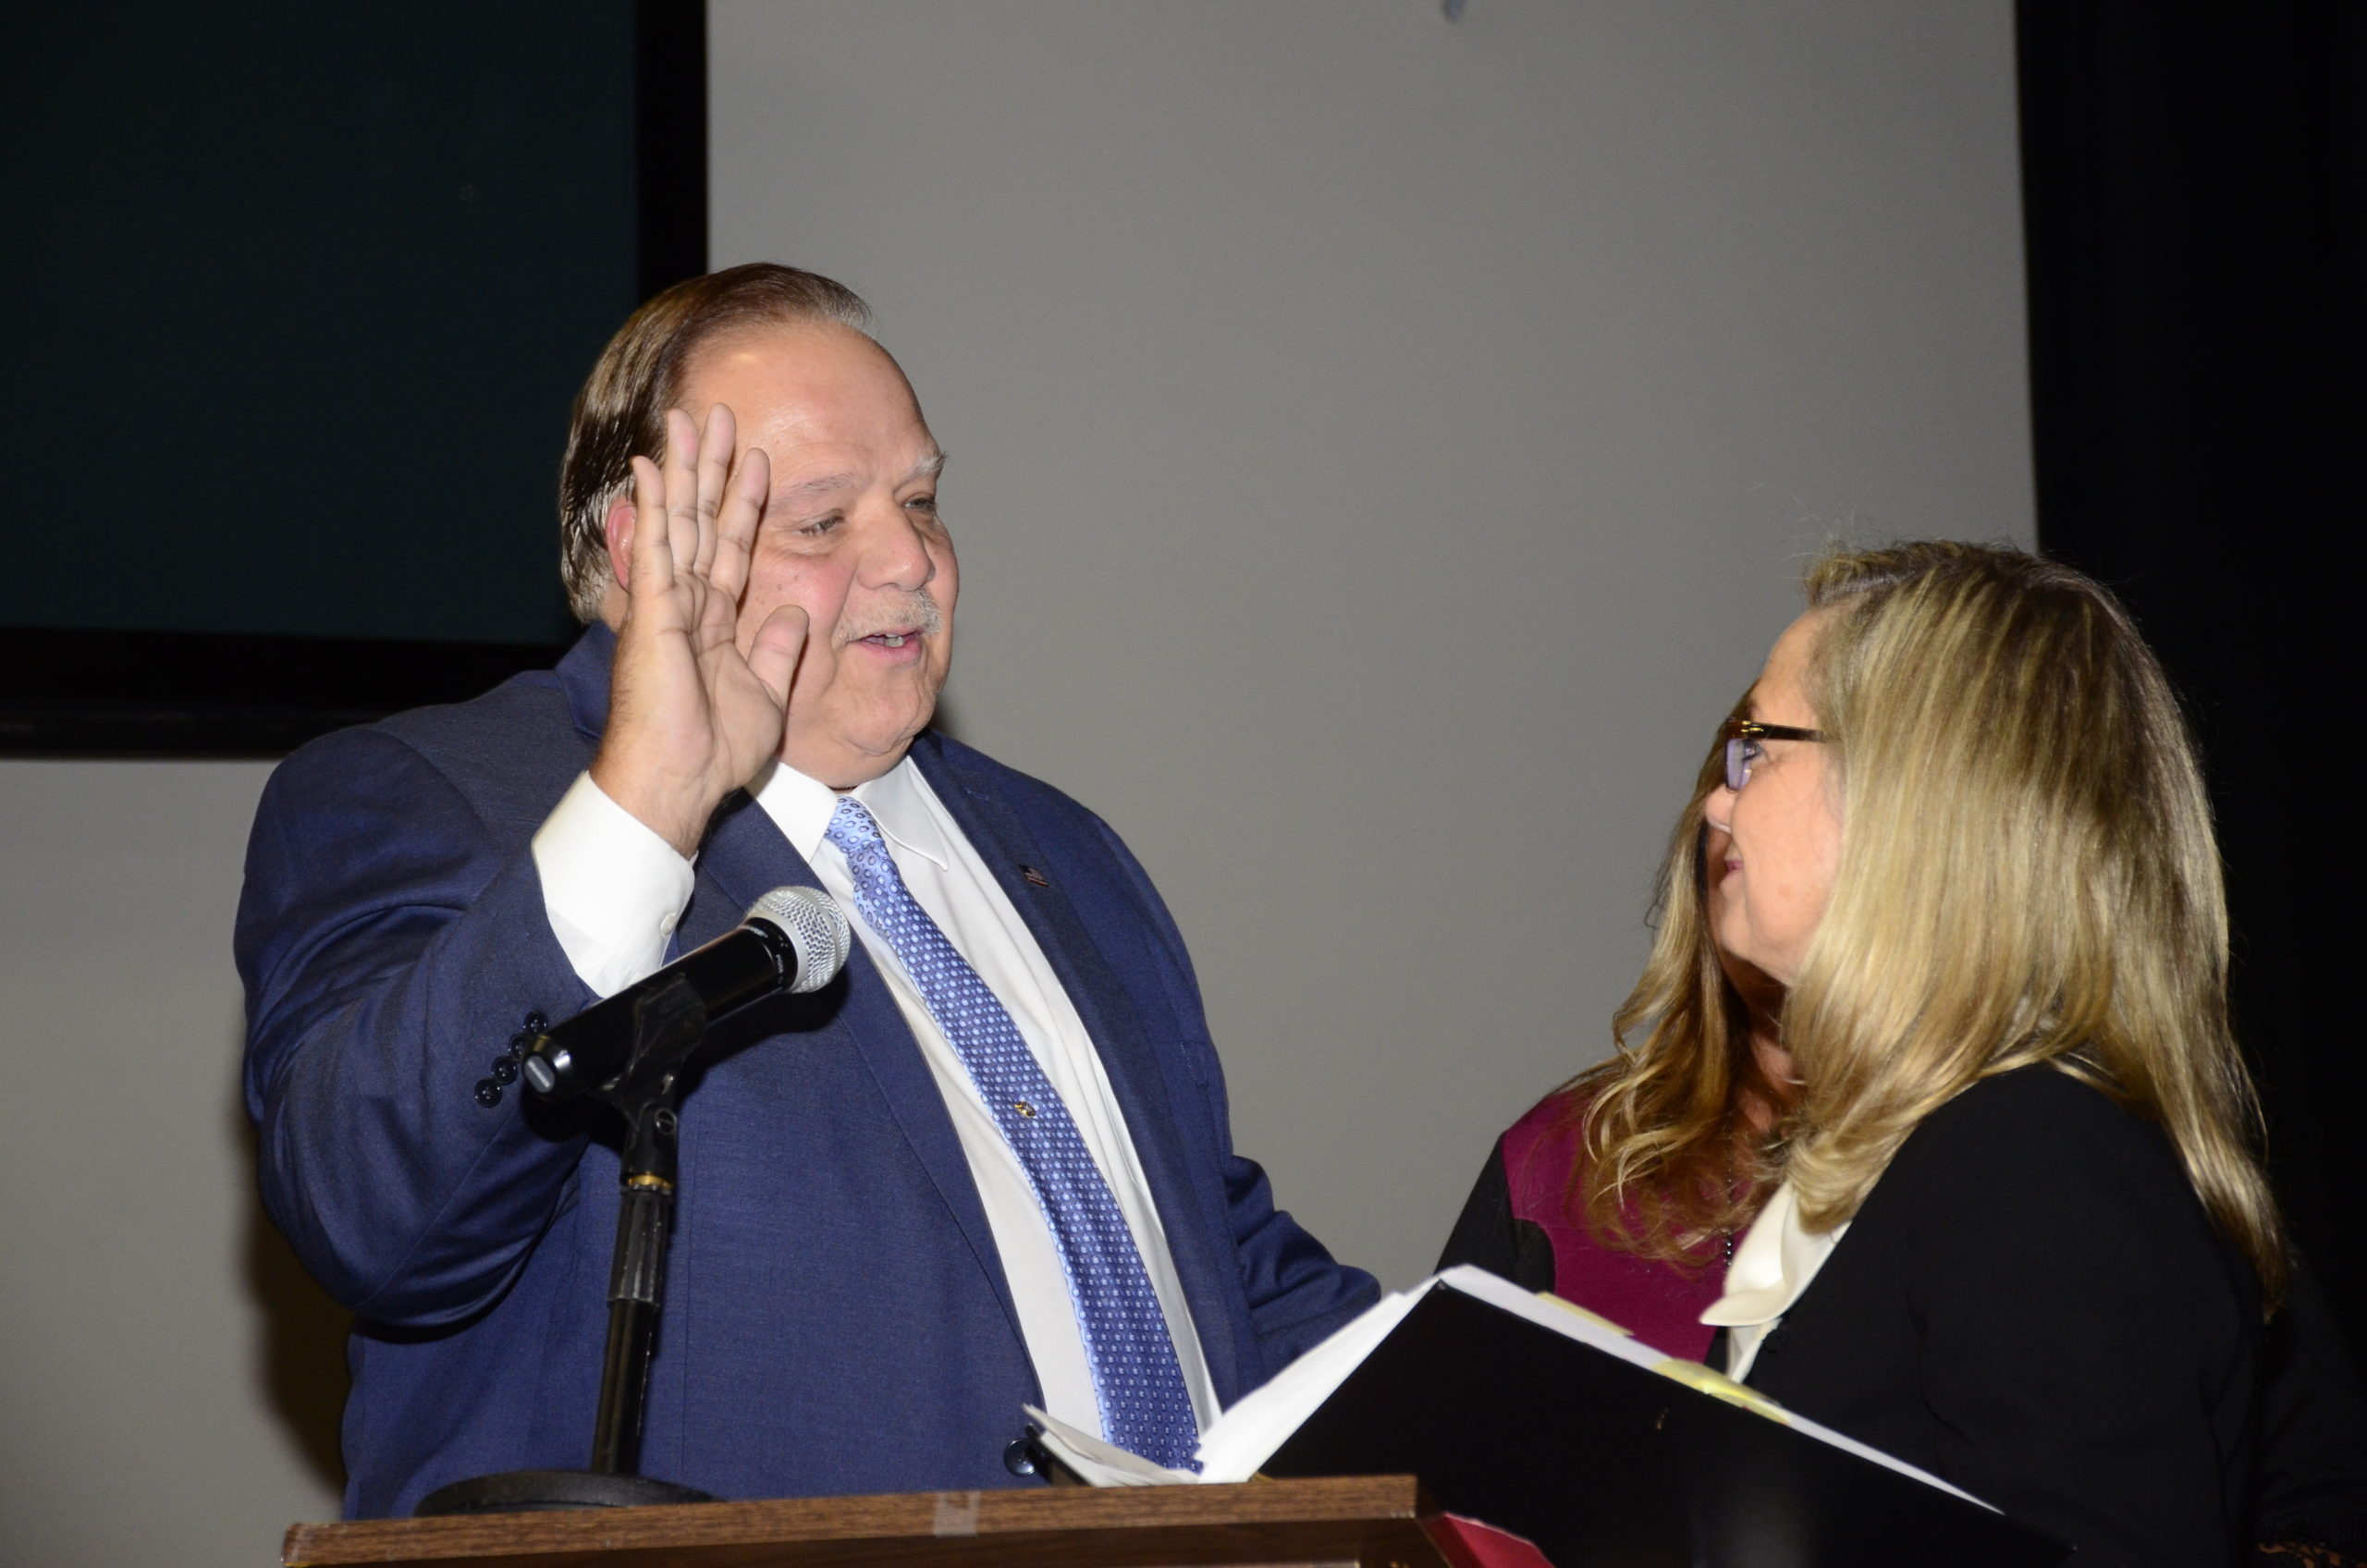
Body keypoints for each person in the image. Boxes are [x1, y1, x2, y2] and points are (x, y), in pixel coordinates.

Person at [237, 263, 1377, 1518]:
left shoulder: (1068, 853)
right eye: (822, 523)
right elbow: (378, 1221)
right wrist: (648, 802)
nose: (913, 559)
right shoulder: (428, 798)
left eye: (922, 499)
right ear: (640, 553)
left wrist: (1521, 1399)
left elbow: (1211, 1267)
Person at [1449, 541, 2286, 1563]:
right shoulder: (1905, 1152)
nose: (1717, 798)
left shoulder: (2035, 1155)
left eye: (1758, 747)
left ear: (1906, 793)